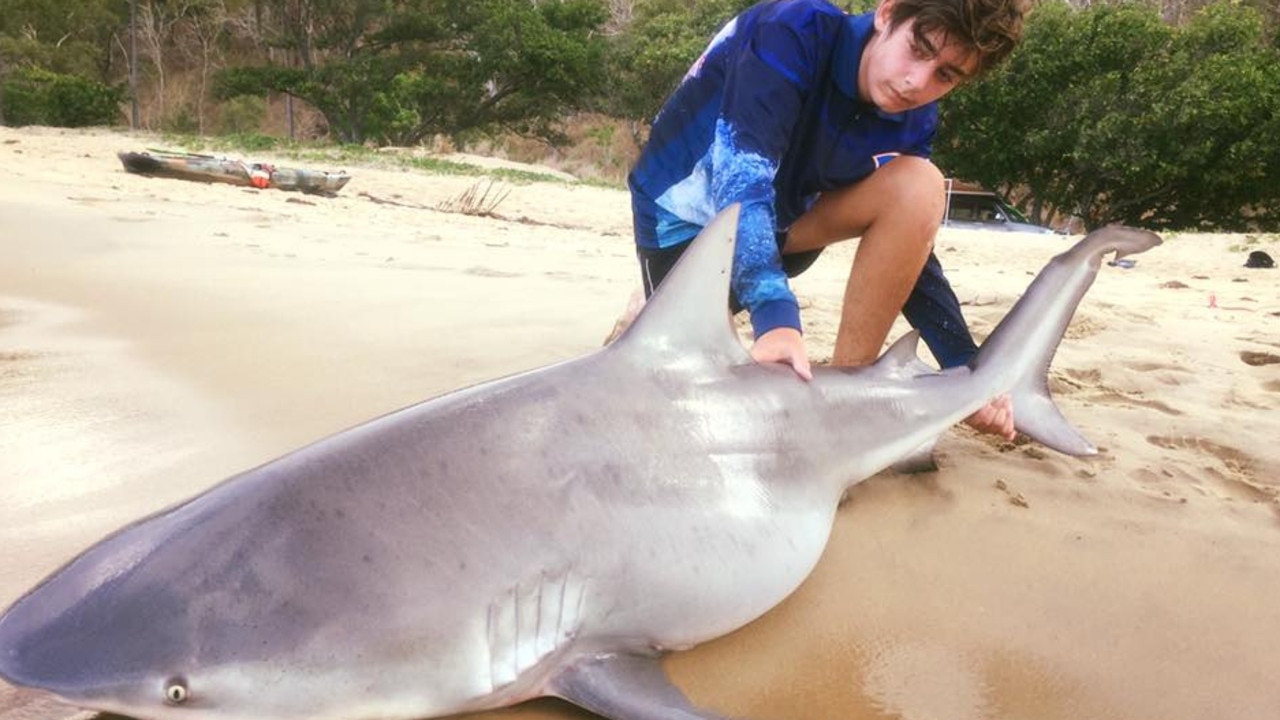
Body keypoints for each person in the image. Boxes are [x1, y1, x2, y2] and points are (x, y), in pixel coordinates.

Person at [627, 0, 1025, 439]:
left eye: (946, 75)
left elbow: (913, 239)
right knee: (670, 398)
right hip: (684, 227)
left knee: (919, 184)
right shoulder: (792, 29)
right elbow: (742, 182)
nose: (917, 82)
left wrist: (964, 366)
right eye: (919, 48)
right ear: (887, 13)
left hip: (784, 233)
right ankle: (649, 308)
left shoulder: (913, 120)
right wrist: (776, 319)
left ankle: (843, 402)